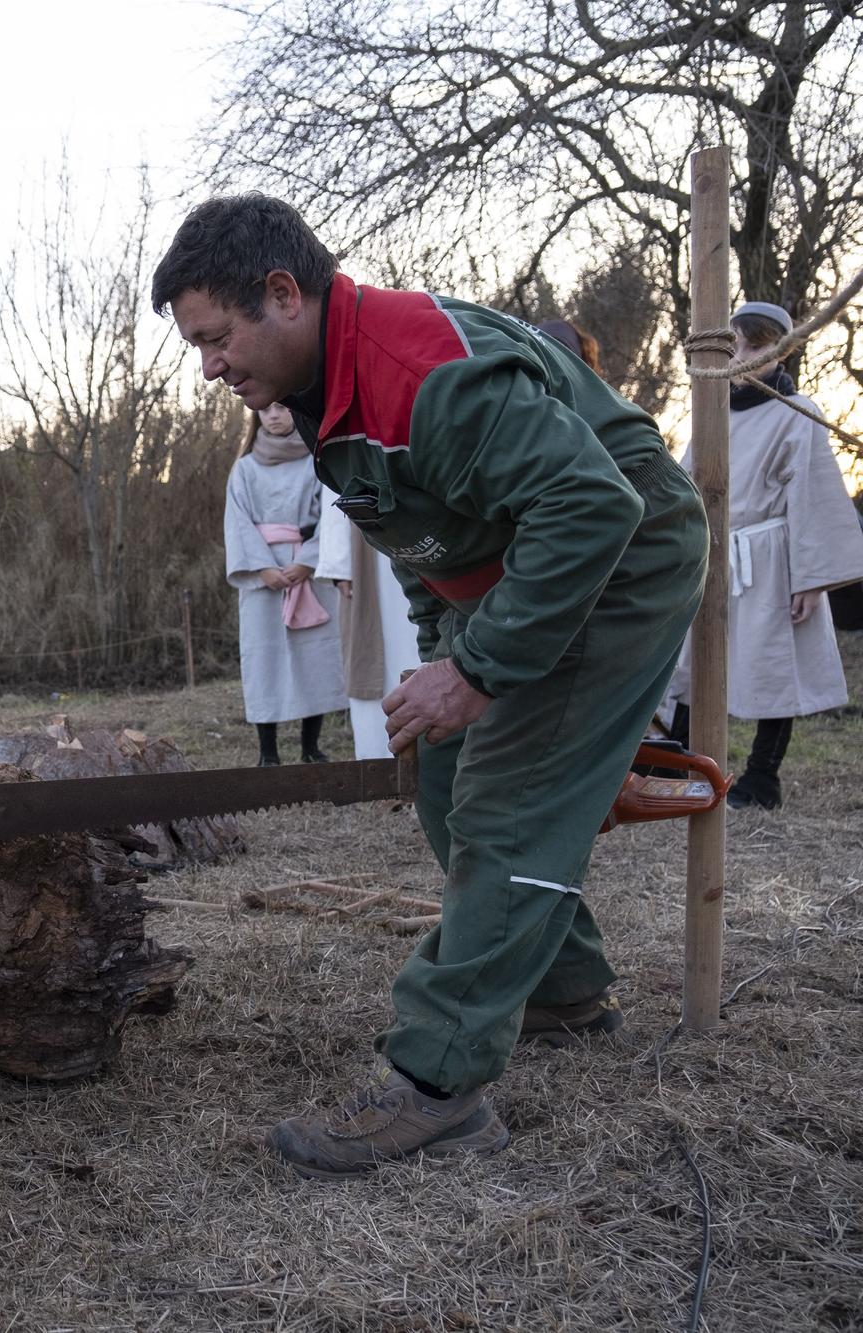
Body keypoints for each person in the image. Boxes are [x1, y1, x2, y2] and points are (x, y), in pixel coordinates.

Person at [151, 194, 707, 1176]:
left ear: (282, 293)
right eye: (197, 346)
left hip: (617, 558)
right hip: (519, 565)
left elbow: (591, 504)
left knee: (508, 798)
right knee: (445, 777)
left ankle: (437, 1085)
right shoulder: (324, 396)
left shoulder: (418, 374)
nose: (209, 366)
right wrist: (442, 657)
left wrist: (480, 670)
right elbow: (416, 537)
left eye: (215, 337)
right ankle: (565, 990)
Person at [665, 301, 863, 809]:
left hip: (771, 557)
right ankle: (679, 764)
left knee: (775, 665)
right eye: (737, 346)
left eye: (757, 346)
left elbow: (813, 494)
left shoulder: (799, 412)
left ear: (782, 351)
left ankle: (761, 779)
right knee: (692, 659)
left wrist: (811, 579)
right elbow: (685, 480)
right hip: (713, 551)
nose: (746, 357)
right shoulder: (710, 408)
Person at [224, 403, 344, 764]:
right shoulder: (245, 468)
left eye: (280, 407)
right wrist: (262, 569)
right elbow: (237, 522)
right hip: (263, 579)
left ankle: (310, 747)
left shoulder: (315, 462)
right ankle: (268, 753)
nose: (273, 415)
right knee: (264, 658)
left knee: (314, 657)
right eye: (264, 411)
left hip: (307, 570)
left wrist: (307, 562)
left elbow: (332, 515)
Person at [315, 482, 424, 760]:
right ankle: (379, 759)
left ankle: (433, 756)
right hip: (370, 551)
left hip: (424, 532)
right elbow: (333, 478)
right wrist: (339, 565)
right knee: (376, 657)